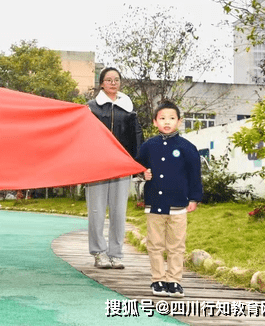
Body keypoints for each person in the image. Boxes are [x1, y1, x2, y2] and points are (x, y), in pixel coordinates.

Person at [136, 101, 202, 298]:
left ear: (179, 122)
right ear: (155, 122)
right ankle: (158, 279)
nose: (167, 122)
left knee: (176, 245)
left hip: (178, 205)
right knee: (155, 244)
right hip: (154, 204)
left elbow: (194, 175)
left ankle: (174, 281)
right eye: (162, 118)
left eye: (172, 118)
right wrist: (143, 174)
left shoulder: (187, 148)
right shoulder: (148, 146)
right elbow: (138, 167)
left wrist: (194, 198)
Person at [86, 67, 143, 269]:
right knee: (96, 211)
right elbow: (83, 137)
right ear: (101, 83)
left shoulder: (128, 109)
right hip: (97, 166)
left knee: (119, 212)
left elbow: (137, 137)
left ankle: (116, 254)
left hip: (121, 166)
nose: (113, 83)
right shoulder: (90, 108)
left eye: (116, 79)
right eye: (108, 80)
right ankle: (98, 253)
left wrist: (139, 164)